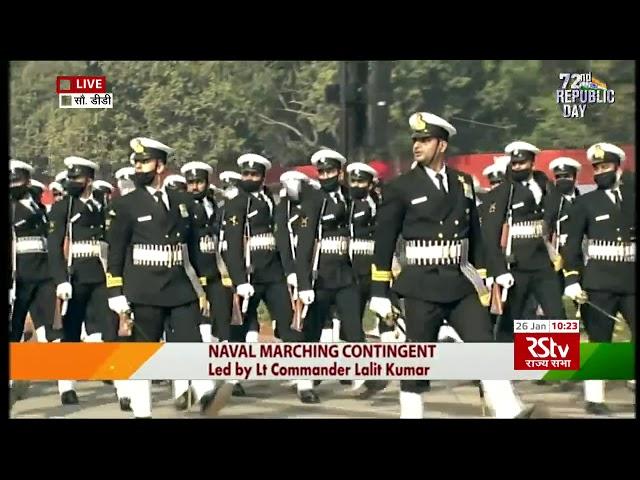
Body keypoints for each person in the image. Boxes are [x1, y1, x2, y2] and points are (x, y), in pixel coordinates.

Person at [369, 112, 537, 418]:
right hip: (420, 284)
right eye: (415, 140)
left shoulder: (463, 183)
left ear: (442, 144)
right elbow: (383, 241)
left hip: (460, 282)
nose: (417, 146)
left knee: (485, 346)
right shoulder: (400, 187)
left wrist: (486, 276)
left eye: (425, 140)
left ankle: (509, 411)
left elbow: (475, 233)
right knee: (416, 364)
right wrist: (379, 291)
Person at [105, 137, 228, 418]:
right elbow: (116, 251)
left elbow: (195, 247)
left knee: (190, 341)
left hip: (178, 285)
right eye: (135, 163)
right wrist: (116, 291)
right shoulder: (127, 204)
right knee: (143, 354)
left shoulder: (182, 201)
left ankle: (204, 391)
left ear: (160, 165)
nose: (138, 168)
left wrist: (208, 283)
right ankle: (143, 413)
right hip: (143, 287)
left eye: (144, 162)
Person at [222, 154, 315, 403]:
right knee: (239, 326)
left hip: (273, 272)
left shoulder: (272, 202)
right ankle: (233, 378)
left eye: (254, 175)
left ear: (263, 178)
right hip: (250, 273)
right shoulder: (236, 203)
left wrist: (291, 272)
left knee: (290, 323)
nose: (248, 178)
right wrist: (239, 279)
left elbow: (283, 239)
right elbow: (232, 246)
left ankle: (304, 380)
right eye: (246, 174)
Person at [562, 142, 635, 415]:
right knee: (599, 339)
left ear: (619, 168)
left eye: (605, 167)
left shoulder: (631, 197)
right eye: (597, 168)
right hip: (599, 280)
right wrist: (571, 279)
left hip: (630, 280)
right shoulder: (585, 202)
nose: (600, 172)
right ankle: (595, 399)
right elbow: (571, 246)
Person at [483, 141, 566, 342]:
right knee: (511, 319)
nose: (518, 167)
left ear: (532, 162)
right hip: (516, 264)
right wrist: (498, 270)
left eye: (522, 163)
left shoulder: (544, 185)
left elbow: (557, 213)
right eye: (515, 163)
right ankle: (505, 366)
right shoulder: (504, 191)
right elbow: (490, 234)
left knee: (558, 316)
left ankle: (565, 367)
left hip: (543, 262)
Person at [172, 161, 236, 409]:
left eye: (199, 182)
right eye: (191, 182)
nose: (195, 186)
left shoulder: (216, 204)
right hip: (190, 275)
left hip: (216, 272)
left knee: (221, 324)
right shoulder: (182, 207)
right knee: (190, 332)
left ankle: (219, 377)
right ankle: (183, 388)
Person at [9, 160, 60, 405]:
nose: (13, 186)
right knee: (15, 328)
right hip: (19, 276)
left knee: (52, 325)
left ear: (27, 182)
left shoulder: (38, 207)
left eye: (17, 181)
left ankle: (64, 382)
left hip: (43, 274)